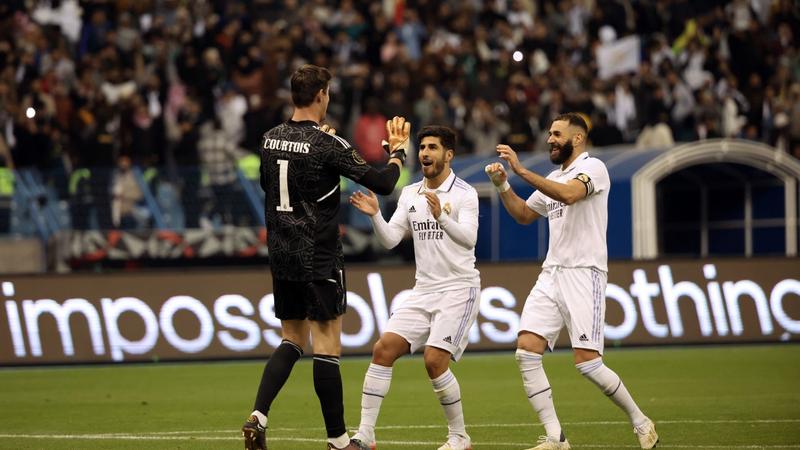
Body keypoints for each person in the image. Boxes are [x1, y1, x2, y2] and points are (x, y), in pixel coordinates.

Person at [241, 64, 411, 450]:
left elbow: (271, 188)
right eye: (328, 93)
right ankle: (337, 440)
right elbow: (384, 183)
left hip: (282, 254)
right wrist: (397, 152)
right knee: (327, 347)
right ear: (321, 96)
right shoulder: (327, 144)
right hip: (318, 254)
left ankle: (258, 415)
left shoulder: (269, 139)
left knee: (291, 339)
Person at [484, 113, 658, 450]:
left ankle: (640, 421)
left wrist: (520, 171)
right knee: (526, 352)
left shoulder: (594, 169)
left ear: (577, 138)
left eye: (556, 134)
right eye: (549, 133)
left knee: (588, 363)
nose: (550, 139)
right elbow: (523, 214)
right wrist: (503, 185)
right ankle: (555, 438)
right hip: (552, 274)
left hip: (584, 273)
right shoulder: (553, 176)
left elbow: (568, 196)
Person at [348, 125, 480, 450]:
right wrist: (377, 216)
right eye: (422, 147)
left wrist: (442, 218)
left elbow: (470, 239)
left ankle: (459, 437)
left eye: (432, 147)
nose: (424, 153)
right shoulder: (410, 194)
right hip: (423, 291)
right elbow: (392, 239)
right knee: (383, 349)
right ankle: (365, 436)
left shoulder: (465, 193)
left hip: (458, 289)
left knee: (434, 360)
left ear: (448, 155)